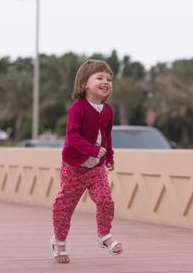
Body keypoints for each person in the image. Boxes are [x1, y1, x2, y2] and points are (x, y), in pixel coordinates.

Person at [50, 59, 123, 263]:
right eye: (99, 77)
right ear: (84, 84)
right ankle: (59, 241)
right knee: (64, 206)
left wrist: (108, 157)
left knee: (105, 200)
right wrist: (92, 150)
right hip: (75, 168)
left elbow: (107, 135)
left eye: (109, 78)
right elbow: (72, 136)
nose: (105, 81)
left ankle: (104, 236)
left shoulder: (108, 110)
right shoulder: (78, 108)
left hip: (96, 169)